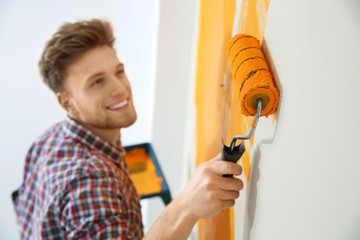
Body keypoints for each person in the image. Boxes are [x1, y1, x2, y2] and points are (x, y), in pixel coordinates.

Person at [12, 19, 243, 239]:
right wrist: (184, 208)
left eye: (119, 71)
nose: (120, 89)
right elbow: (89, 186)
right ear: (66, 102)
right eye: (97, 82)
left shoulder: (50, 139)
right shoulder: (91, 182)